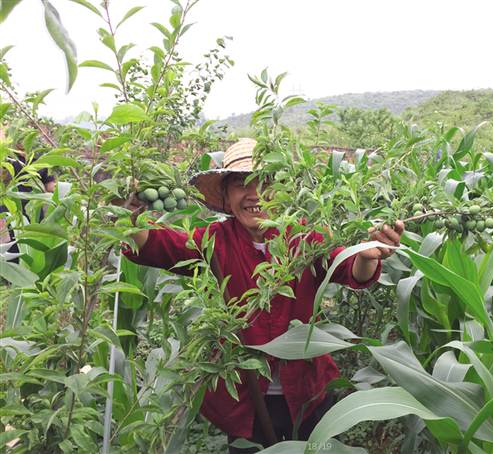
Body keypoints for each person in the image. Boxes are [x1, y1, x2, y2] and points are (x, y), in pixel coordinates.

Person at [123, 138, 404, 453]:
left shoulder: (304, 239)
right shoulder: (213, 241)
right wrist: (129, 216)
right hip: (245, 400)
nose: (254, 194)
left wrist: (369, 255)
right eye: (241, 184)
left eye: (265, 182)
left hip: (308, 393)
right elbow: (156, 246)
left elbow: (350, 268)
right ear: (227, 199)